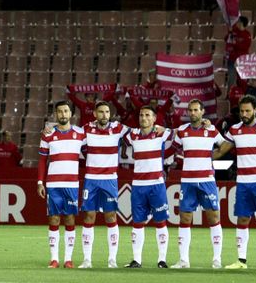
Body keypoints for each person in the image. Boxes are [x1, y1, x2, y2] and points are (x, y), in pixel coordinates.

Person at [219, 96, 256, 270]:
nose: (244, 114)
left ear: (255, 110)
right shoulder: (234, 130)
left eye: (247, 111)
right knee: (243, 218)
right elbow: (221, 150)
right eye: (242, 111)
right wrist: (201, 157)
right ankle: (241, 260)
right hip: (243, 182)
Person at [170, 99, 226, 270]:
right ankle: (183, 260)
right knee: (185, 218)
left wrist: (212, 156)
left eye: (196, 110)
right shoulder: (182, 131)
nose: (193, 113)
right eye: (190, 110)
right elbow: (173, 148)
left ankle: (216, 259)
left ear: (202, 112)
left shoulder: (211, 130)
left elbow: (225, 145)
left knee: (213, 218)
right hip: (187, 181)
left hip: (207, 180)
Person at [78, 100, 128, 268]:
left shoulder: (118, 128)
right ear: (95, 114)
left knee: (111, 216)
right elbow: (71, 137)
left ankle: (112, 259)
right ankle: (87, 259)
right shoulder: (86, 129)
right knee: (89, 216)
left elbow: (139, 131)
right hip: (91, 179)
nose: (104, 115)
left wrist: (158, 128)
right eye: (101, 112)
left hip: (110, 179)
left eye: (107, 112)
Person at [37, 100, 86, 269]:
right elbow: (42, 160)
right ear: (55, 114)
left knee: (70, 219)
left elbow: (90, 154)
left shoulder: (81, 134)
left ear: (71, 114)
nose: (63, 114)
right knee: (54, 218)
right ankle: (54, 259)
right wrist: (40, 182)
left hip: (72, 184)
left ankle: (68, 259)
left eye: (66, 111)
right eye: (60, 111)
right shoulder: (48, 134)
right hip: (53, 184)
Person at [124, 105, 172, 269]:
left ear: (154, 118)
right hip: (138, 185)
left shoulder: (162, 133)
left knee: (160, 221)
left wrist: (165, 128)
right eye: (141, 115)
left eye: (147, 115)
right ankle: (137, 260)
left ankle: (162, 260)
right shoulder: (132, 135)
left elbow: (180, 133)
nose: (143, 118)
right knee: (138, 222)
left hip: (156, 184)